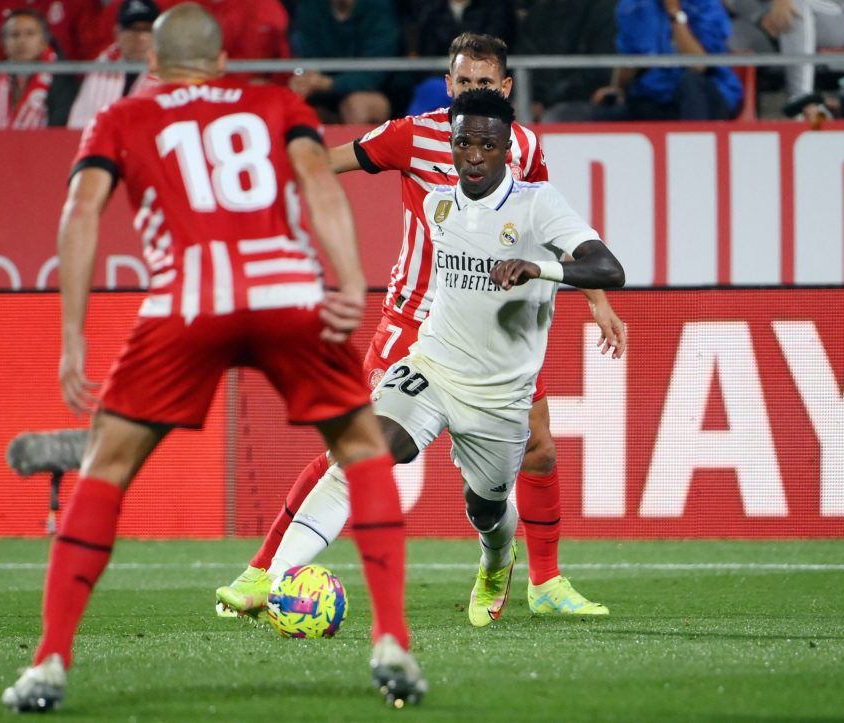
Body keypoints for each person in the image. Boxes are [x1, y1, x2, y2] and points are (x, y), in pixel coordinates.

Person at [0, 3, 423, 712]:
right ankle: (392, 642)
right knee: (360, 450)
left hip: (187, 301)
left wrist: (72, 334)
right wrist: (352, 280)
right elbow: (320, 183)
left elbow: (80, 213)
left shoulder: (123, 116)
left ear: (152, 64)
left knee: (105, 466)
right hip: (288, 291)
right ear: (223, 61)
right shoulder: (277, 103)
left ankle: (48, 663)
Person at [217, 32, 625, 623]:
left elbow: (555, 233)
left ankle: (542, 578)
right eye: (464, 83)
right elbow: (327, 162)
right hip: (416, 321)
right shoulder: (413, 135)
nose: (474, 97)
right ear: (448, 84)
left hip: (500, 331)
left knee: (534, 454)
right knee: (358, 445)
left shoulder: (525, 149)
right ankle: (265, 572)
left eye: (485, 84)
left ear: (505, 89)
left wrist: (596, 301)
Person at [592, 0, 743, 121]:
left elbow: (699, 65)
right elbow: (630, 58)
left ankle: (694, 147)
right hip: (659, 97)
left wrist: (674, 13)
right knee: (601, 111)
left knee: (690, 83)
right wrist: (617, 89)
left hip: (709, 93)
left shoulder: (706, 5)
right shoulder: (634, 6)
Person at [288, 0, 401, 123]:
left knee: (358, 106)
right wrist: (305, 80)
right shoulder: (310, 6)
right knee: (294, 102)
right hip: (319, 92)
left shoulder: (379, 9)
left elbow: (374, 75)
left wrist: (327, 83)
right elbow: (305, 53)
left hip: (374, 91)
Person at [0, 8, 76, 128]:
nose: (22, 40)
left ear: (44, 42)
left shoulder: (62, 78)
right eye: (14, 35)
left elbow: (60, 124)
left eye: (30, 33)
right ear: (3, 44)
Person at [515, 0, 617, 122]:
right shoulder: (536, 14)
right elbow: (525, 61)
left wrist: (545, 102)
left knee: (553, 118)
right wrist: (531, 100)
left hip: (583, 100)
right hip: (539, 100)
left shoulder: (602, 10)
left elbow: (599, 70)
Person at [726, 0, 844, 98]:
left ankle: (801, 100)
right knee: (727, 33)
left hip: (829, 14)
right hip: (769, 18)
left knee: (795, 5)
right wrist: (760, 17)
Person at [66, 0, 159, 130]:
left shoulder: (169, 70)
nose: (141, 37)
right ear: (117, 33)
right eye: (133, 29)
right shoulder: (103, 65)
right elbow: (80, 122)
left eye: (148, 30)